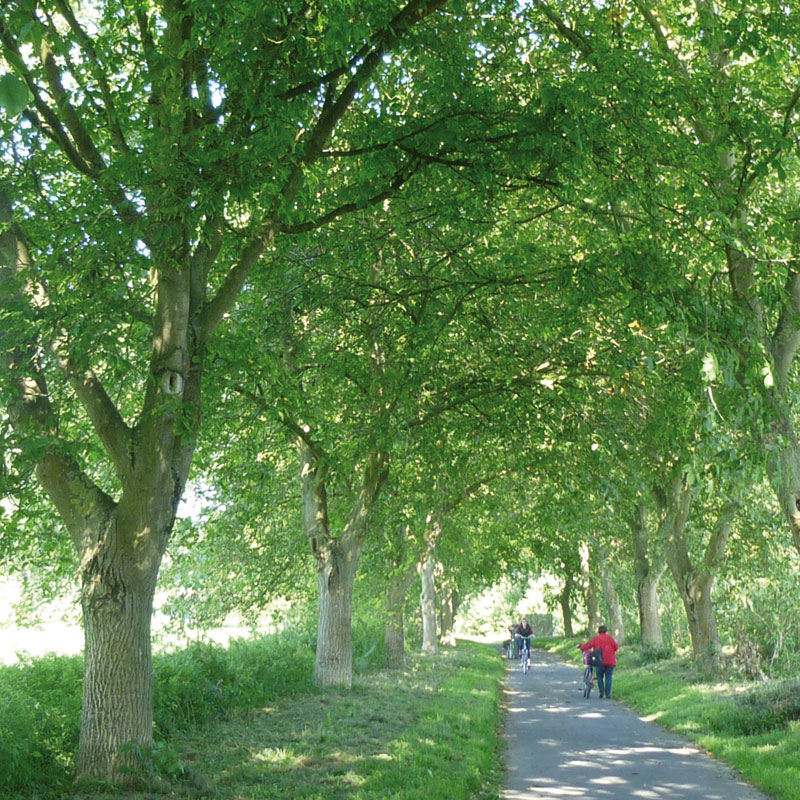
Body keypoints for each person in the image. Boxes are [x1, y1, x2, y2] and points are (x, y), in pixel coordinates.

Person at [578, 625, 619, 699]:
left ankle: (601, 692)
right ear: (606, 631)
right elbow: (616, 648)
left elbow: (588, 646)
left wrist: (581, 646)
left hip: (599, 661)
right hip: (610, 661)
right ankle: (608, 694)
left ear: (599, 631)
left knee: (599, 676)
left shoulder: (596, 639)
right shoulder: (610, 639)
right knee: (608, 677)